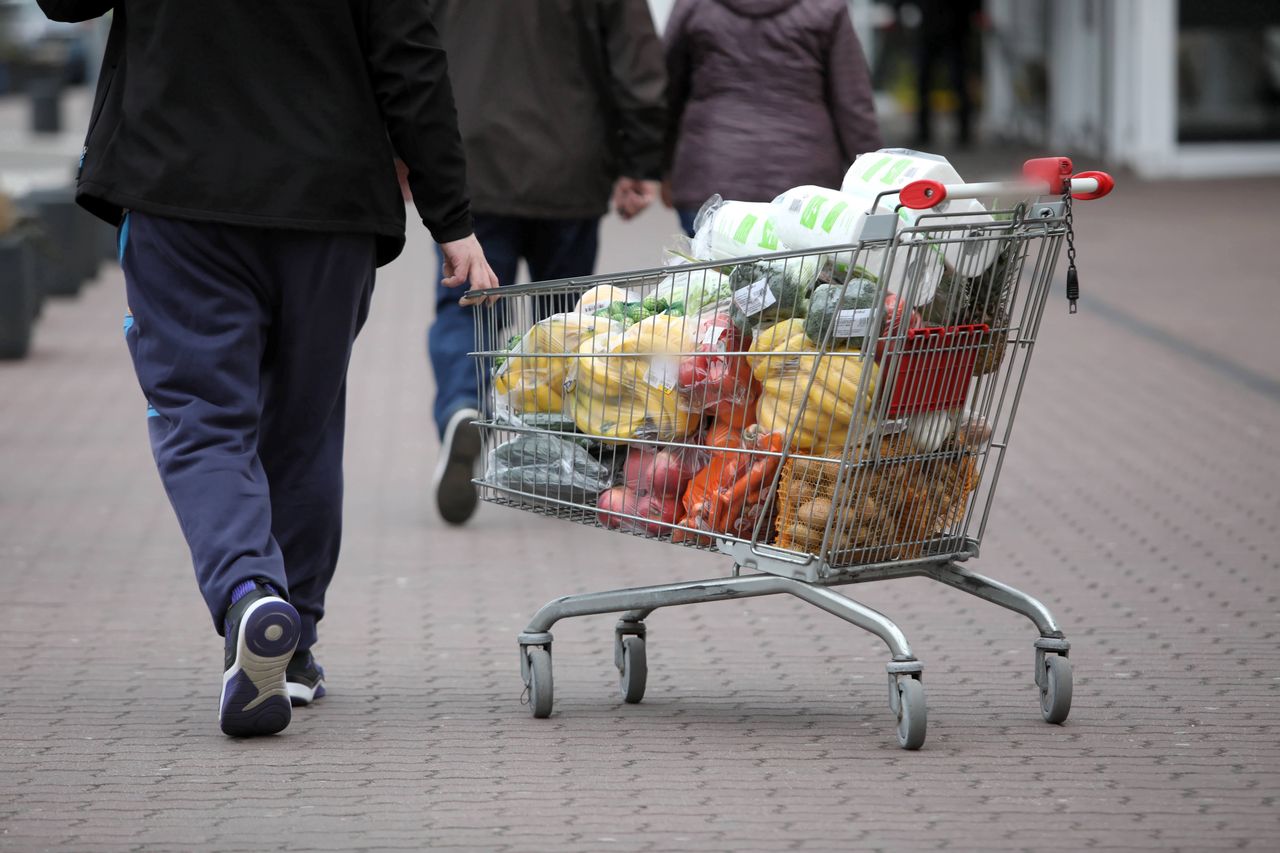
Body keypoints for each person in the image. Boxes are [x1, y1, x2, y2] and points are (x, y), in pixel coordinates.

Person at [36, 0, 498, 737]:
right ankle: (294, 646)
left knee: (202, 416)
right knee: (304, 424)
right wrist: (454, 219)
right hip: (330, 200)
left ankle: (251, 593)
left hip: (179, 190)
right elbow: (409, 52)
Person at [426, 0, 666, 526]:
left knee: (465, 309)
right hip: (571, 161)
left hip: (470, 158)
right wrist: (641, 160)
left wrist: (406, 151)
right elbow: (637, 62)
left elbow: (401, 44)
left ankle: (462, 409)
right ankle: (557, 462)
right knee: (567, 328)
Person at [663, 0, 882, 235]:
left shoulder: (694, 5)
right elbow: (853, 106)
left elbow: (666, 91)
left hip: (710, 173)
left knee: (708, 269)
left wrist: (659, 168)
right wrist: (876, 189)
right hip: (805, 184)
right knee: (802, 270)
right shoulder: (826, 6)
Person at [913, 0, 981, 148]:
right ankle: (923, 132)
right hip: (931, 28)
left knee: (959, 83)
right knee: (924, 83)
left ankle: (964, 132)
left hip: (956, 30)